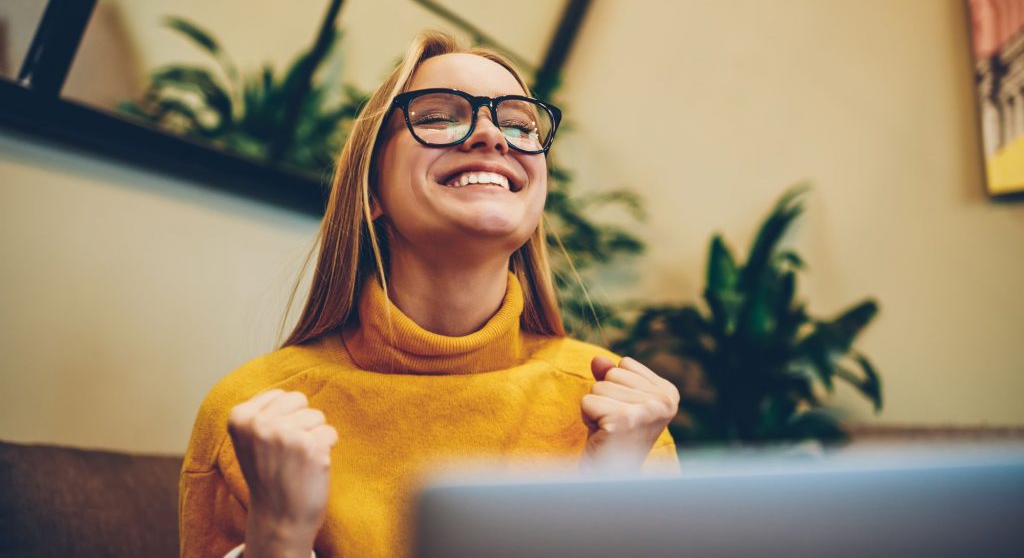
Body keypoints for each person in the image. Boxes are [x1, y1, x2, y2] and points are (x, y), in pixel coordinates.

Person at [179, 31, 681, 558]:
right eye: (439, 116)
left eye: (518, 124)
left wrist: (610, 489)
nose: (492, 137)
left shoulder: (623, 415)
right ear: (371, 191)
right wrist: (280, 536)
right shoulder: (252, 414)